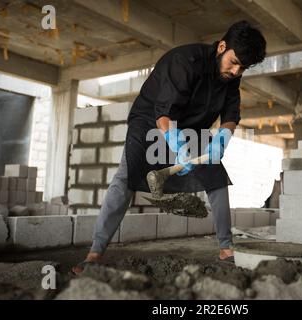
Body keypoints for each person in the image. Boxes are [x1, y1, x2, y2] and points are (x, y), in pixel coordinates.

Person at [72, 20, 266, 275]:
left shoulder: (231, 77)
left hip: (193, 128)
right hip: (150, 121)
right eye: (234, 62)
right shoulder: (185, 62)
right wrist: (178, 147)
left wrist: (223, 138)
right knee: (126, 177)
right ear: (221, 47)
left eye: (243, 68)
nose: (236, 71)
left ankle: (226, 248)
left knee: (216, 176)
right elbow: (164, 113)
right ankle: (95, 253)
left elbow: (231, 112)